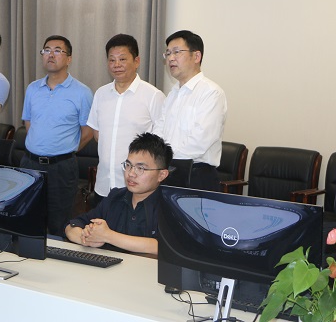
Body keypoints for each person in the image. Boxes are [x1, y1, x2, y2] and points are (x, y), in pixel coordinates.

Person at [20, 35, 93, 236]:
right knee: (27, 217)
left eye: (58, 50)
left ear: (69, 58)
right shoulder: (32, 88)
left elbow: (87, 132)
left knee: (59, 223)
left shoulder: (82, 92)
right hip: (30, 163)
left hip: (62, 167)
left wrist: (63, 151)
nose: (51, 54)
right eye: (47, 50)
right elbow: (28, 122)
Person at [87, 34, 165, 207]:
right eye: (112, 60)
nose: (116, 65)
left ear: (137, 61)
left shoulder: (153, 96)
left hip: (138, 188)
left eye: (122, 59)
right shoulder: (101, 94)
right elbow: (97, 134)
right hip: (103, 184)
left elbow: (159, 144)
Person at [64, 133, 172, 255]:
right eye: (128, 165)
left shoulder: (170, 206)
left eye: (140, 168)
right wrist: (86, 238)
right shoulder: (115, 197)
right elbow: (71, 225)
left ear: (162, 175)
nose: (131, 173)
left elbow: (164, 247)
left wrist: (107, 236)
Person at [154, 30, 227, 191]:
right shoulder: (172, 94)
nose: (170, 58)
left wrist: (163, 159)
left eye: (177, 52)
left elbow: (200, 141)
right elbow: (159, 129)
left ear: (196, 56)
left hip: (196, 176)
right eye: (168, 53)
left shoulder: (211, 92)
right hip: (168, 172)